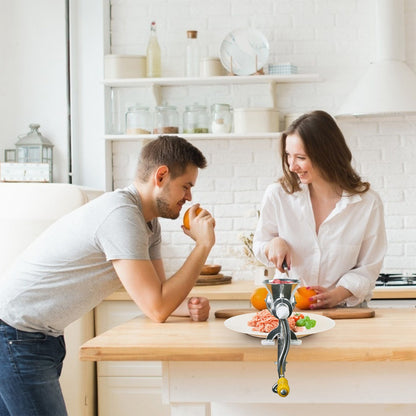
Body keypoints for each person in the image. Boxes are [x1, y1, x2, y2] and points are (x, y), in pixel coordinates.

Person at [0, 135, 215, 416]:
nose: (189, 197)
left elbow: (157, 295)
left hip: (34, 337)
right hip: (16, 335)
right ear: (161, 176)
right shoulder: (121, 215)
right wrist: (203, 245)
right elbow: (158, 306)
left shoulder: (147, 224)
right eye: (186, 186)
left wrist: (189, 309)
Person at [253, 110, 387, 309]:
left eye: (300, 157)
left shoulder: (367, 203)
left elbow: (369, 267)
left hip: (345, 312)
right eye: (288, 156)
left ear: (326, 154)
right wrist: (273, 243)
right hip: (290, 310)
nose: (292, 166)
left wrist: (336, 295)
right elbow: (260, 245)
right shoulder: (278, 195)